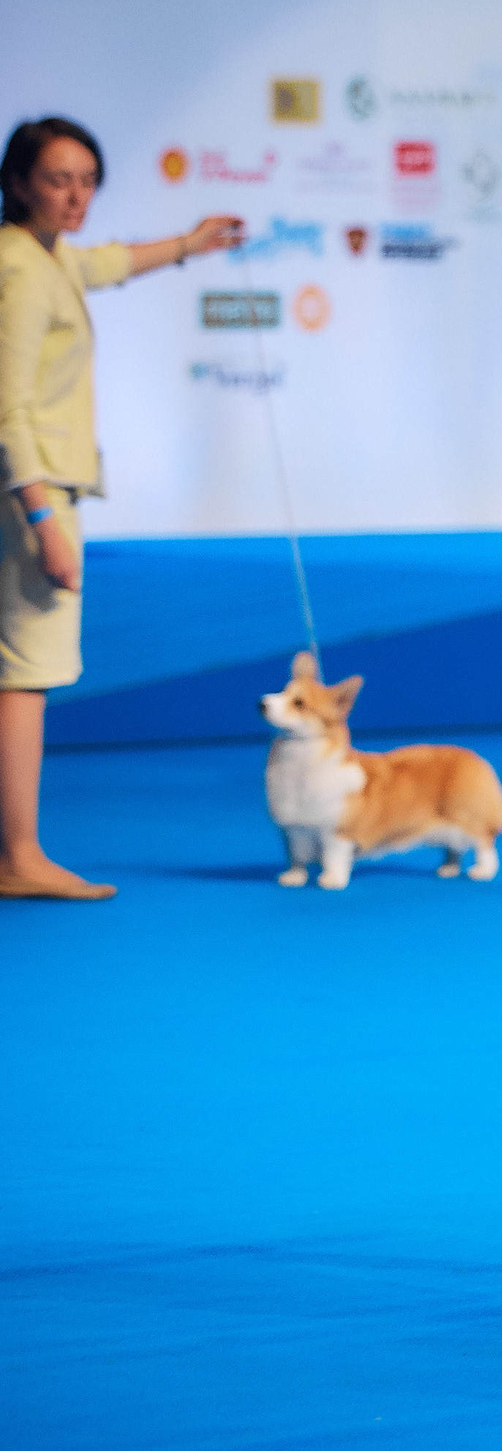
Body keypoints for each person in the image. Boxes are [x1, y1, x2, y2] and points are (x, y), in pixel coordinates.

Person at [0, 118, 239, 903]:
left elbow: (106, 262)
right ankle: (20, 854)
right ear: (18, 181)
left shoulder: (45, 258)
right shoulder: (17, 268)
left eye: (87, 179)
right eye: (56, 178)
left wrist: (190, 242)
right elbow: (6, 408)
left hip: (36, 491)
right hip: (29, 494)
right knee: (23, 676)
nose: (74, 195)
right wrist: (40, 520)